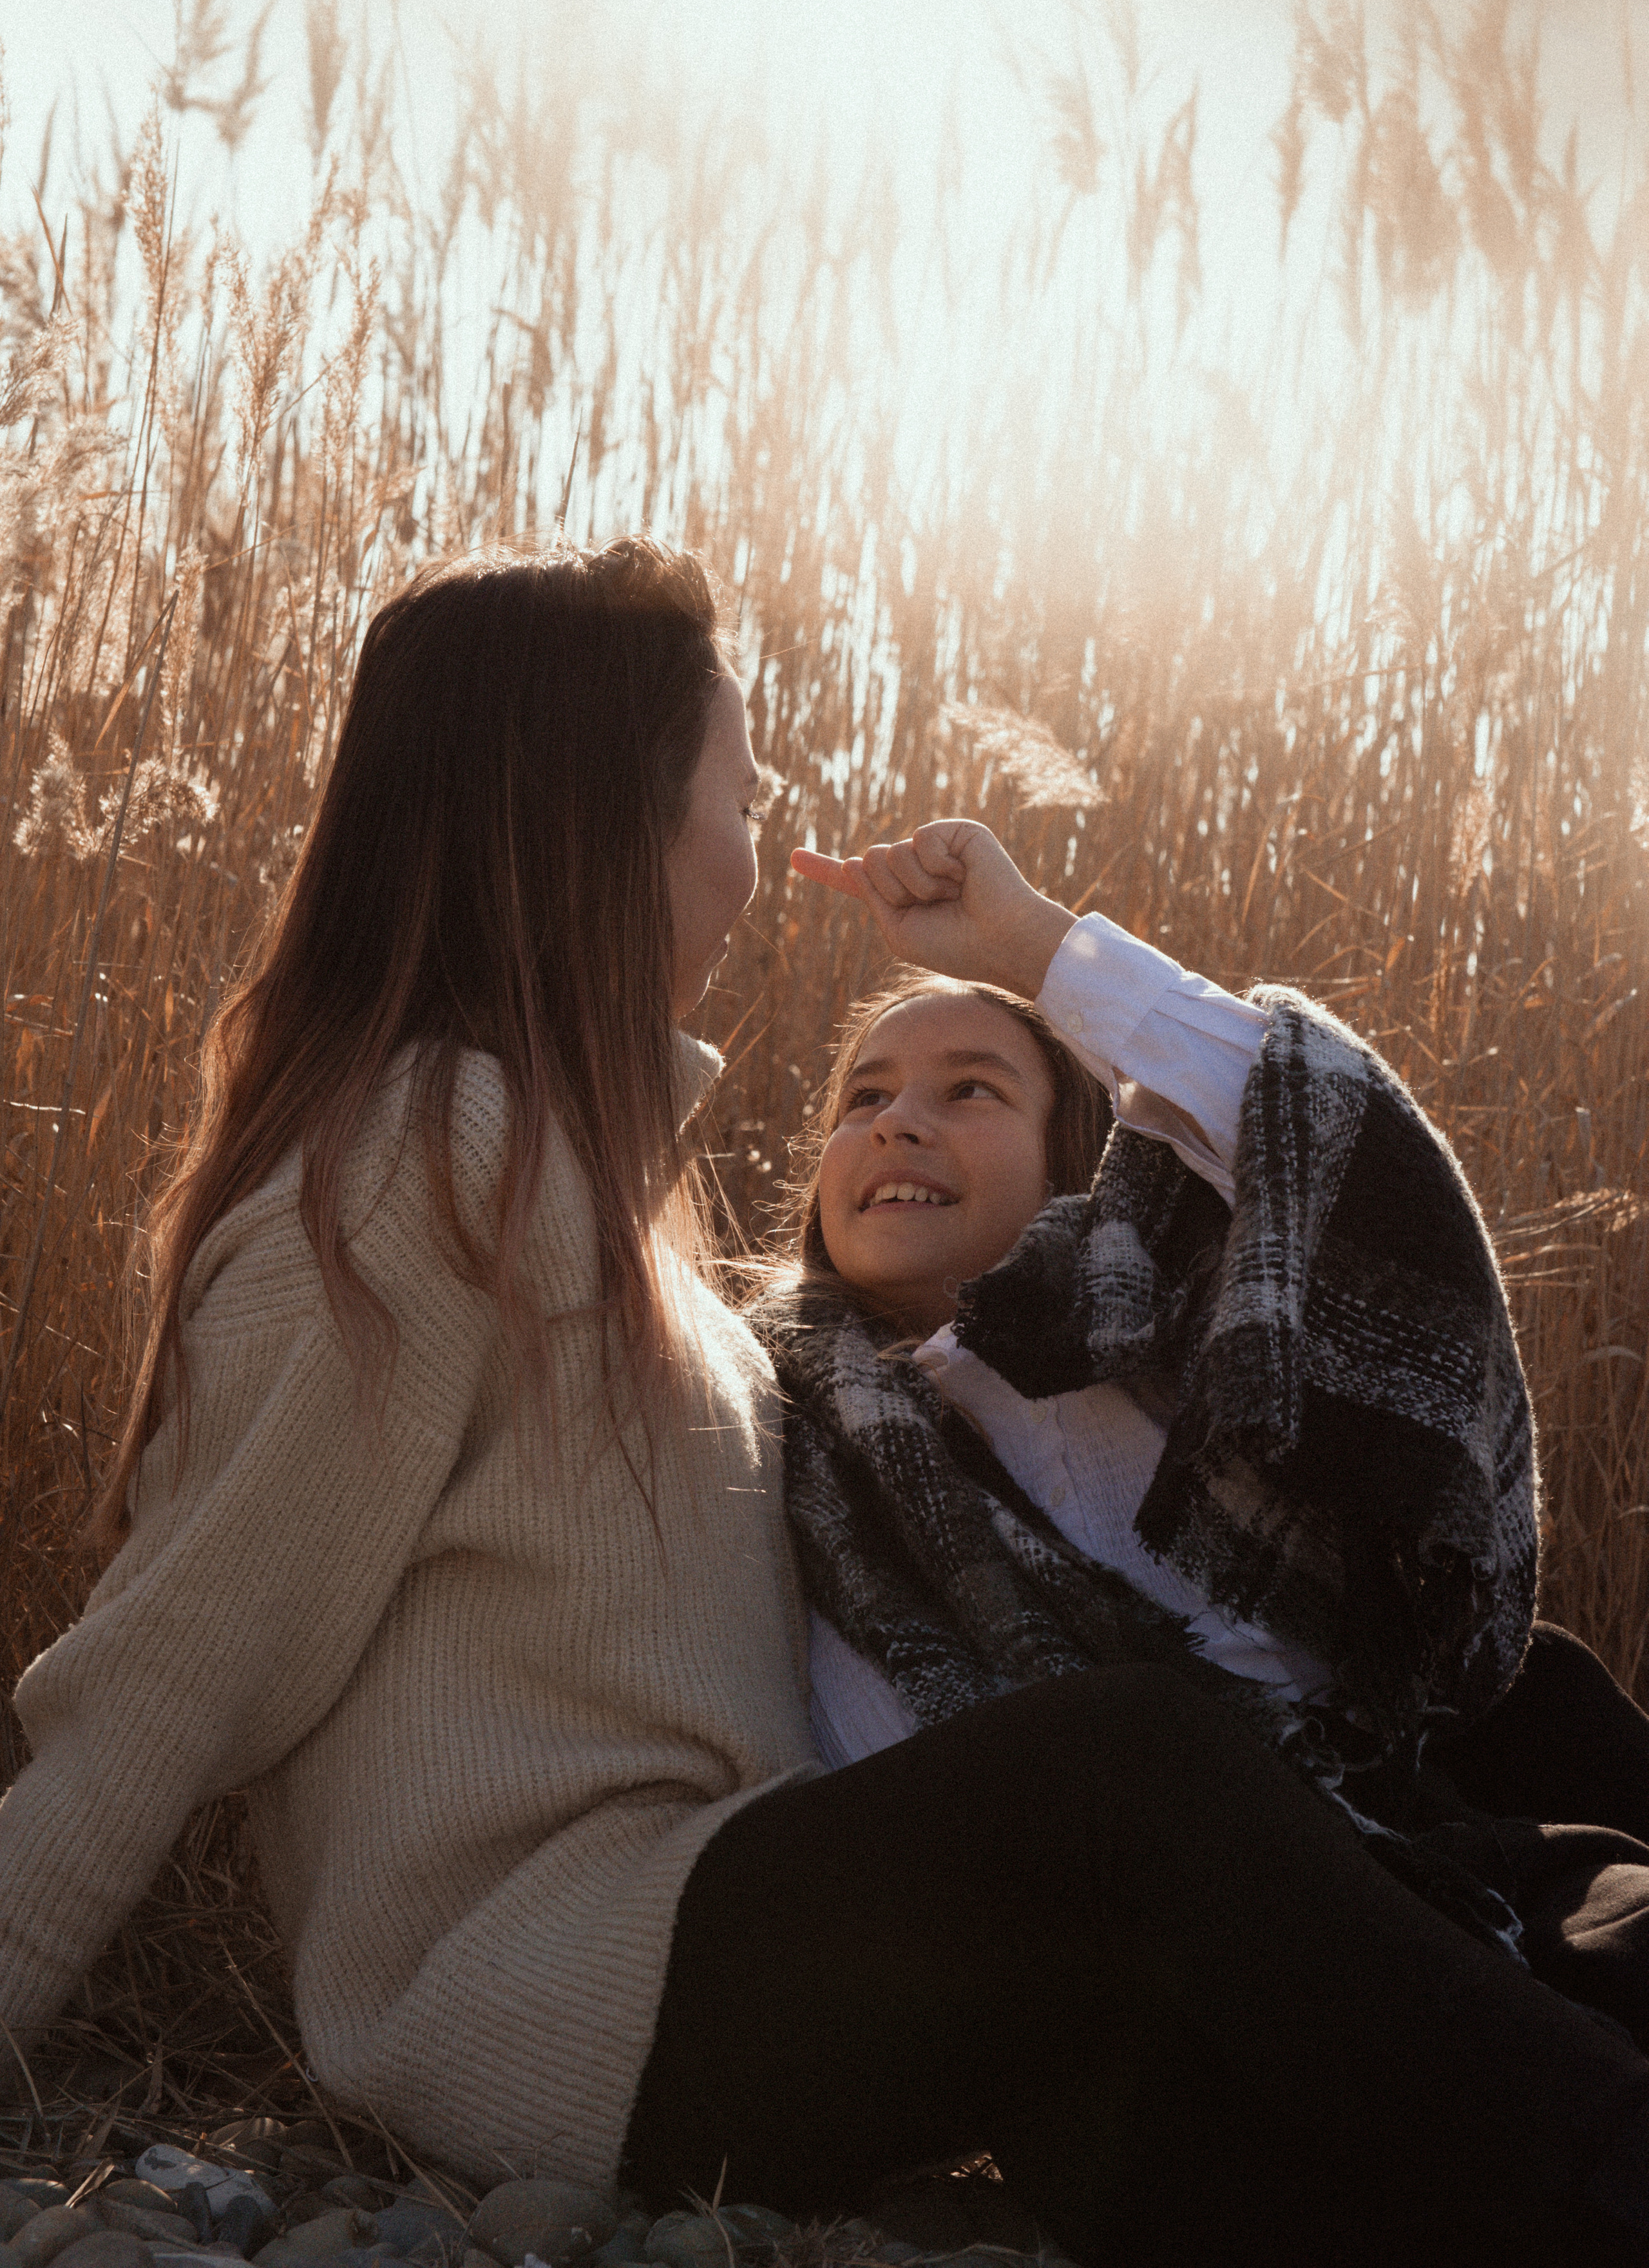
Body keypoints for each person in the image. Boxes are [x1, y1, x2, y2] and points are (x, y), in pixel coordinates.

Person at [0, 567, 1646, 2268]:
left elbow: (1291, 1216)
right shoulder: (431, 1167)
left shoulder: (623, 1214)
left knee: (1208, 2060)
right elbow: (182, 1660)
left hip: (722, 1922)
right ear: (606, 831)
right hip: (559, 1993)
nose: (760, 846)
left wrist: (1047, 973)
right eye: (742, 800)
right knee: (1122, 1770)